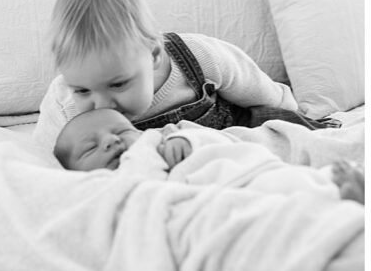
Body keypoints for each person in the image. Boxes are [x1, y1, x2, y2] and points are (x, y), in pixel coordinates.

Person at [33, 0, 335, 157]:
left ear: (153, 55)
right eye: (82, 90)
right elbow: (43, 157)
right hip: (156, 165)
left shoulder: (194, 55)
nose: (102, 105)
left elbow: (255, 87)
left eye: (118, 84)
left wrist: (291, 112)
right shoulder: (62, 103)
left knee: (284, 135)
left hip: (230, 138)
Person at [53, 107, 364, 203]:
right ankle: (344, 197)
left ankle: (342, 190)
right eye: (91, 147)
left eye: (121, 132)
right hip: (231, 201)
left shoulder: (158, 142)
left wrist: (187, 141)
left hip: (247, 175)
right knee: (293, 204)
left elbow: (215, 141)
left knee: (296, 185)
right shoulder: (102, 193)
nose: (110, 142)